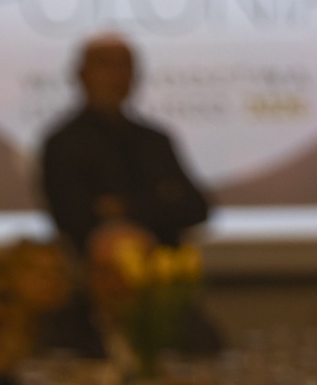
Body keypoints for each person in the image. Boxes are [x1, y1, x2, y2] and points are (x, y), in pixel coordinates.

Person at [40, 35, 210, 255]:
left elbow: (196, 208)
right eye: (105, 66)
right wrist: (159, 202)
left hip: (163, 270)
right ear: (82, 74)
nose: (116, 76)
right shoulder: (63, 144)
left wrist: (121, 207)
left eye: (124, 67)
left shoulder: (155, 140)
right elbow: (73, 218)